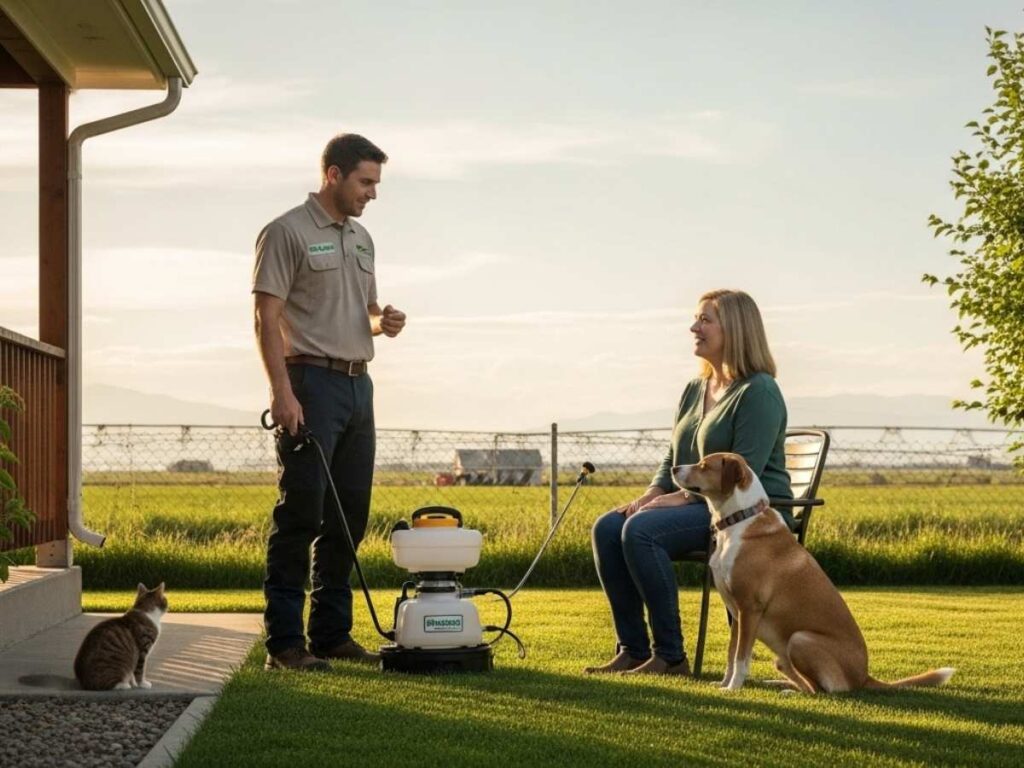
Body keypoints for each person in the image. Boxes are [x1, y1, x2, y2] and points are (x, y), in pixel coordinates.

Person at [253, 133, 406, 672]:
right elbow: (265, 318)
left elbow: (366, 312)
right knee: (301, 514)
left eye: (376, 183)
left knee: (349, 517)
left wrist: (383, 321)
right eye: (366, 182)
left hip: (359, 386)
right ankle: (284, 645)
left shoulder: (363, 239)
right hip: (309, 383)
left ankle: (331, 635)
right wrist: (282, 391)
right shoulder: (285, 231)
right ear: (333, 175)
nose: (372, 193)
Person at [586, 289, 792, 676]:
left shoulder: (759, 391)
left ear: (735, 329)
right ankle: (633, 649)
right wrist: (654, 492)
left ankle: (670, 656)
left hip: (745, 516)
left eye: (705, 320)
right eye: (696, 319)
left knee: (642, 531)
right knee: (608, 527)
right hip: (707, 507)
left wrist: (681, 498)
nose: (694, 328)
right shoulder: (696, 389)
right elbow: (674, 455)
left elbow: (740, 473)